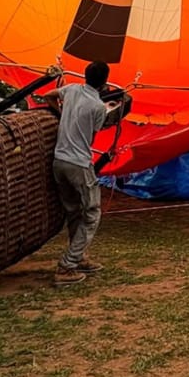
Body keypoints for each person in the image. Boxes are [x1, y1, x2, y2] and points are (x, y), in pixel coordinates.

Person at [48, 61, 121, 287]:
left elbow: (49, 95)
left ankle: (78, 257)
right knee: (92, 213)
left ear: (85, 76)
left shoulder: (70, 90)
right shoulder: (98, 107)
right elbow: (92, 135)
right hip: (79, 163)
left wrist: (61, 116)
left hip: (59, 161)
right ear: (105, 82)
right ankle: (67, 265)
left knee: (74, 211)